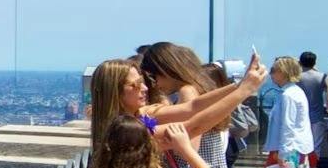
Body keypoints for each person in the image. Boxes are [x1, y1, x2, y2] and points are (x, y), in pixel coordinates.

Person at [86, 51, 267, 154]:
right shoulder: (125, 131)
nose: (145, 88)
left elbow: (192, 107)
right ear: (115, 92)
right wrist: (244, 91)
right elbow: (193, 126)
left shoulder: (140, 115)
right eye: (135, 85)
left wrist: (239, 86)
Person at [140, 42, 233, 168]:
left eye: (155, 77)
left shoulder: (187, 91)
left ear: (167, 70)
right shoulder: (201, 88)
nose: (155, 84)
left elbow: (190, 144)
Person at [263, 56, 316, 168]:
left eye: (273, 70)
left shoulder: (288, 95)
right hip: (295, 147)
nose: (271, 74)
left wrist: (283, 153)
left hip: (289, 149)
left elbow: (288, 125)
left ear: (283, 72)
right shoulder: (295, 91)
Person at [296, 51, 326, 165]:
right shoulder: (322, 76)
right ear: (314, 62)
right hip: (317, 116)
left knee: (300, 147)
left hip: (300, 117)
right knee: (315, 147)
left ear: (300, 62)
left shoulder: (297, 78)